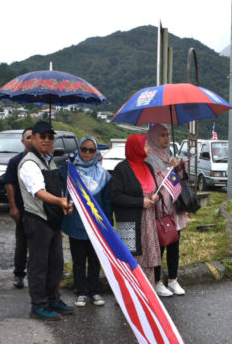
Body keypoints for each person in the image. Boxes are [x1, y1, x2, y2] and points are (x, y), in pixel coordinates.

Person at [17, 121, 75, 321]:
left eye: (50, 137)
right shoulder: (30, 163)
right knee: (39, 265)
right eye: (42, 136)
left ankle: (53, 298)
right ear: (32, 138)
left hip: (52, 220)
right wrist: (60, 201)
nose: (47, 140)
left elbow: (57, 189)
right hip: (37, 219)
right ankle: (39, 304)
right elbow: (39, 192)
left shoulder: (49, 161)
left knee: (56, 263)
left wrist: (63, 204)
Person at [60, 136, 111, 307]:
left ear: (96, 152)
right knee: (79, 260)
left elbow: (107, 201)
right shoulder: (71, 170)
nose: (87, 153)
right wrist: (69, 164)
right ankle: (81, 291)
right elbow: (56, 176)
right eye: (84, 149)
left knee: (95, 259)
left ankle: (94, 291)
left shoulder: (103, 174)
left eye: (91, 150)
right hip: (77, 222)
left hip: (96, 224)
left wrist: (108, 224)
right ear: (79, 150)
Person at [110, 134, 162, 294]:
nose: (148, 148)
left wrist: (156, 197)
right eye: (145, 144)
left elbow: (154, 190)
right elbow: (115, 196)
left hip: (148, 222)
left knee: (148, 257)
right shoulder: (122, 169)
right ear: (136, 147)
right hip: (130, 222)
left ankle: (147, 293)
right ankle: (129, 295)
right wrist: (140, 202)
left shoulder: (148, 167)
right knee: (130, 258)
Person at [145, 124, 187, 297]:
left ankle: (173, 279)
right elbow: (154, 183)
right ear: (154, 137)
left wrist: (179, 169)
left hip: (173, 209)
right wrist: (169, 168)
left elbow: (176, 182)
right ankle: (155, 281)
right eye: (162, 135)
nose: (167, 138)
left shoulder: (168, 155)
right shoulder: (148, 159)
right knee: (158, 246)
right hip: (158, 210)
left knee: (174, 244)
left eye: (167, 135)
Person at [3, 128, 32, 289]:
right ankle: (18, 274)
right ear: (23, 141)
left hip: (39, 210)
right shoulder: (15, 161)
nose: (31, 139)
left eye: (33, 136)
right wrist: (13, 207)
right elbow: (10, 185)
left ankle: (36, 274)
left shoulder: (44, 159)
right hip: (22, 208)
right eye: (28, 137)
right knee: (21, 244)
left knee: (38, 245)